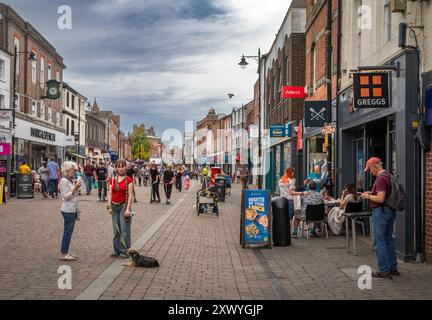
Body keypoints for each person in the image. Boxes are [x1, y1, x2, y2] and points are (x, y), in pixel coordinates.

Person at [361, 157, 398, 279]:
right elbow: (384, 195)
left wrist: (367, 197)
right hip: (389, 210)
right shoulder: (388, 175)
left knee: (379, 241)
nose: (370, 172)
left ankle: (384, 270)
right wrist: (371, 193)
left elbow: (380, 199)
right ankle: (393, 267)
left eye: (370, 169)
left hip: (381, 212)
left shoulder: (380, 179)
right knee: (388, 239)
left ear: (375, 166)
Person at [107, 159, 134, 258]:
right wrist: (109, 206)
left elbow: (130, 195)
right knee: (116, 230)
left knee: (124, 230)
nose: (121, 168)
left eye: (123, 166)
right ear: (116, 168)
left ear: (125, 167)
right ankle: (116, 250)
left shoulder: (129, 180)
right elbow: (110, 194)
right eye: (119, 166)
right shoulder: (113, 179)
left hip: (124, 206)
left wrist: (128, 209)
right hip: (114, 207)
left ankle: (125, 251)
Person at [59, 161, 81, 261]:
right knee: (67, 231)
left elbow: (73, 194)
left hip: (72, 208)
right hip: (67, 209)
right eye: (71, 170)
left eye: (74, 170)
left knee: (69, 231)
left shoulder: (70, 180)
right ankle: (64, 253)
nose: (73, 172)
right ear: (66, 171)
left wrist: (77, 187)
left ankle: (66, 251)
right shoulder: (64, 181)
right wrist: (75, 188)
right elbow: (66, 196)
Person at [278, 167, 307, 237]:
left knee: (285, 217)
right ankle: (288, 234)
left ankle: (284, 232)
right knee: (290, 218)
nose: (294, 174)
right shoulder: (291, 181)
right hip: (290, 201)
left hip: (282, 200)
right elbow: (292, 193)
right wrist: (302, 193)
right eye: (293, 172)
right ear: (290, 173)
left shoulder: (280, 180)